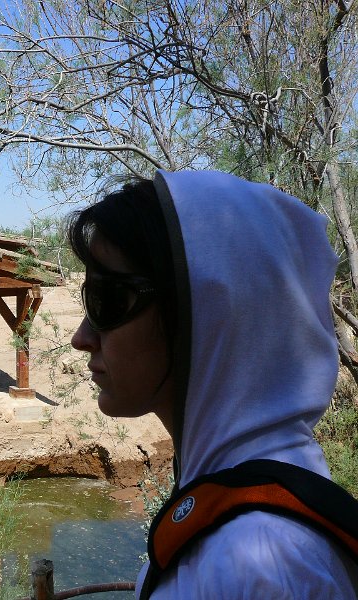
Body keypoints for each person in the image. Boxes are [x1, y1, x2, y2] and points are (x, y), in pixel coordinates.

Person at [68, 170, 358, 598]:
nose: (80, 338)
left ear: (208, 315)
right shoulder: (250, 488)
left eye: (107, 301)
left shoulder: (257, 566)